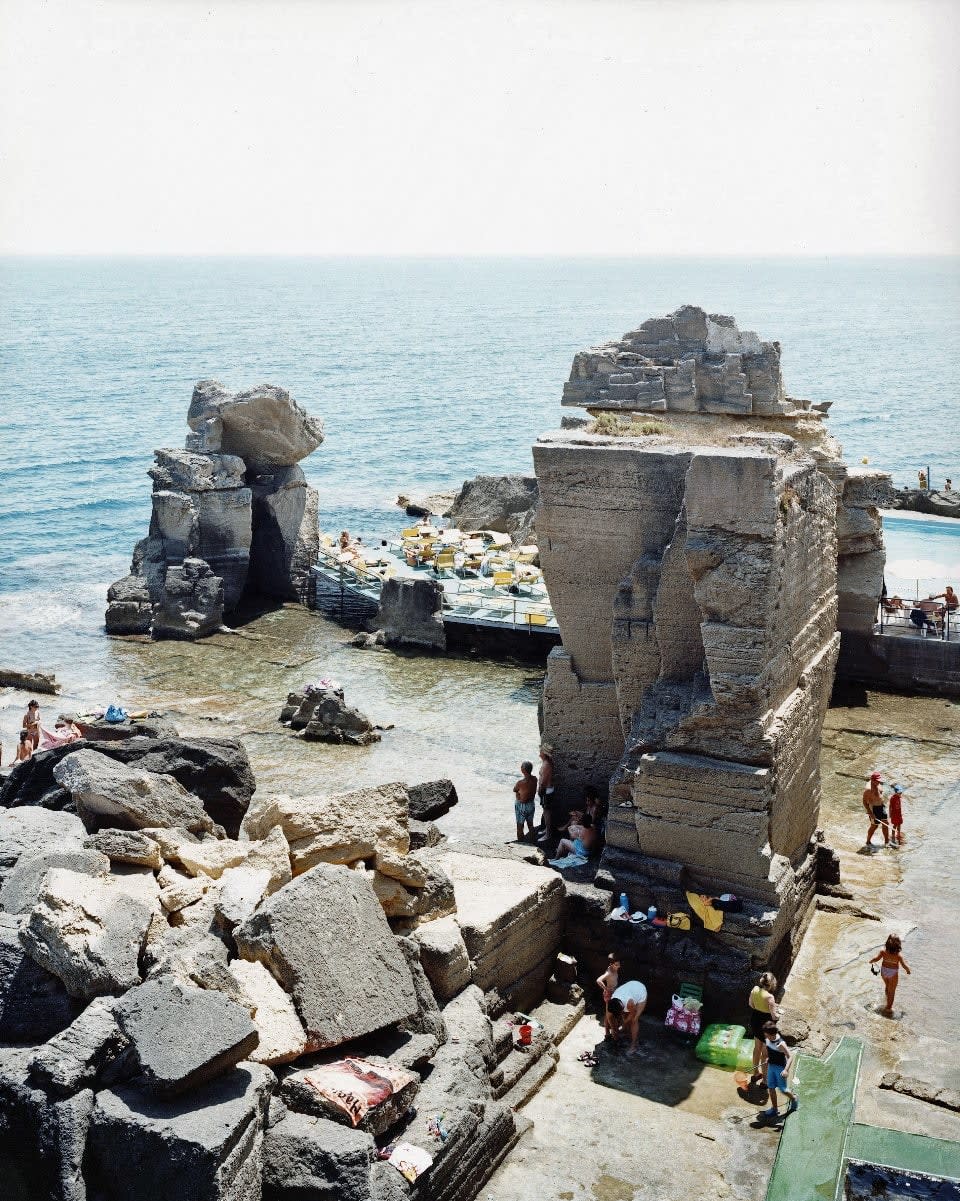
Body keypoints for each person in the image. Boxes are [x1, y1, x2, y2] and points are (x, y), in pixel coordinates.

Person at [747, 972, 779, 1086]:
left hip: (755, 1020)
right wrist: (778, 1014)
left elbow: (751, 1004)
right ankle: (765, 1081)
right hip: (767, 1025)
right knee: (765, 1054)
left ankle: (755, 1074)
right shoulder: (770, 997)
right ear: (771, 985)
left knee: (757, 1048)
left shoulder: (754, 989)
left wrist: (760, 1007)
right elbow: (774, 1016)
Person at [761, 1022, 798, 1119]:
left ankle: (794, 1098)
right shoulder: (768, 1039)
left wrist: (786, 1070)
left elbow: (790, 1057)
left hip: (780, 1068)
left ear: (771, 1034)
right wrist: (769, 1058)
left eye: (766, 1034)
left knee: (783, 1089)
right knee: (771, 1087)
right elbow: (770, 1051)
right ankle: (774, 1109)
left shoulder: (781, 1044)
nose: (765, 1035)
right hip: (771, 1067)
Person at [870, 933, 911, 1013]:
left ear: (887, 943)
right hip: (893, 974)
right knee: (892, 991)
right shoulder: (898, 956)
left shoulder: (883, 952)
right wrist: (908, 970)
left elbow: (876, 958)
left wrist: (872, 960)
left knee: (887, 986)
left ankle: (886, 999)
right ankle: (888, 1008)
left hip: (884, 972)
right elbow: (903, 965)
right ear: (898, 945)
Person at [606, 980, 647, 1055]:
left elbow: (633, 1013)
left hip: (640, 990)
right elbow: (609, 1018)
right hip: (630, 988)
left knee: (634, 1021)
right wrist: (614, 1030)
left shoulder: (630, 1003)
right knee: (625, 1017)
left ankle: (634, 1046)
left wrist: (624, 1022)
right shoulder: (612, 1002)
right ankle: (625, 1030)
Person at [862, 771, 890, 850]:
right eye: (877, 780)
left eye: (879, 780)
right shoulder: (868, 789)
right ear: (872, 780)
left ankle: (886, 841)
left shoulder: (878, 784)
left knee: (886, 823)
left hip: (881, 806)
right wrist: (870, 813)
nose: (879, 781)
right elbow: (864, 801)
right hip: (873, 808)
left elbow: (880, 794)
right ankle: (868, 841)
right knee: (874, 826)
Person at [596, 954, 621, 1037]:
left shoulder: (612, 968)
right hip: (610, 995)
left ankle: (607, 1033)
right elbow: (599, 980)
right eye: (616, 965)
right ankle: (613, 1036)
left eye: (619, 964)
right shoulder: (609, 972)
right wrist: (606, 988)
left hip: (614, 993)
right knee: (611, 1017)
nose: (619, 966)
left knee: (608, 1014)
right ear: (611, 964)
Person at [512, 761, 537, 842]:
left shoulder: (520, 783)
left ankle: (520, 843)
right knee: (530, 824)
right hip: (531, 804)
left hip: (522, 805)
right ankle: (533, 841)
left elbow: (515, 789)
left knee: (520, 825)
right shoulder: (535, 779)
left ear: (523, 770)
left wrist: (519, 795)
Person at [535, 747, 556, 843]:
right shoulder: (547, 763)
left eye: (541, 751)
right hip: (548, 790)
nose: (539, 752)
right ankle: (547, 830)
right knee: (546, 812)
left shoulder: (546, 765)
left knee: (547, 813)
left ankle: (548, 834)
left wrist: (539, 791)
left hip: (546, 791)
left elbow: (543, 782)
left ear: (544, 754)